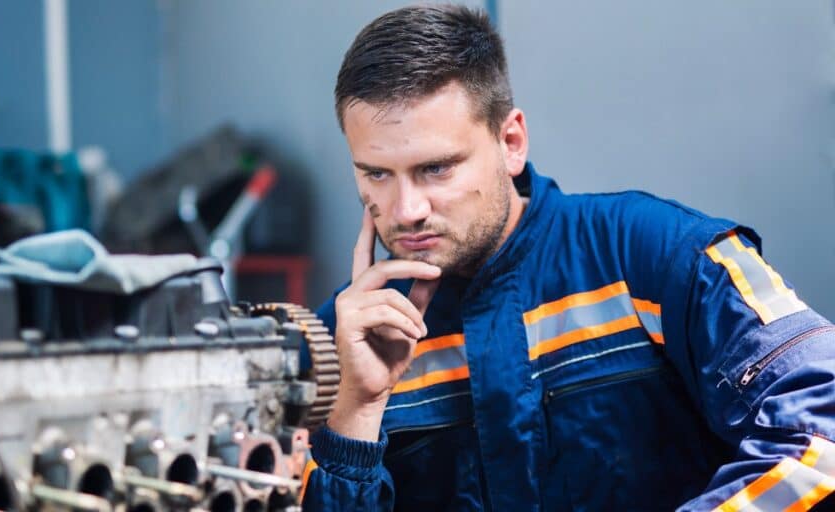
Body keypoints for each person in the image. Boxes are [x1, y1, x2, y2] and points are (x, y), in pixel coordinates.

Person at [299, 4, 835, 511]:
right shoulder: (342, 337)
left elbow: (822, 431)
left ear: (511, 142)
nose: (407, 209)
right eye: (376, 174)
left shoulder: (656, 256)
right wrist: (357, 411)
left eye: (435, 169)